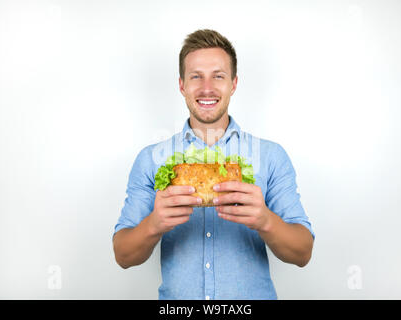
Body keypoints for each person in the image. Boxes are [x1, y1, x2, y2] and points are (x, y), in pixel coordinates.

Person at [113, 29, 315, 300]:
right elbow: (123, 255)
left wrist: (266, 220)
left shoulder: (271, 156)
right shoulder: (151, 159)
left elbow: (303, 253)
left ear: (233, 83)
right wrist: (153, 224)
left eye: (218, 76)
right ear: (182, 85)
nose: (206, 88)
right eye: (196, 76)